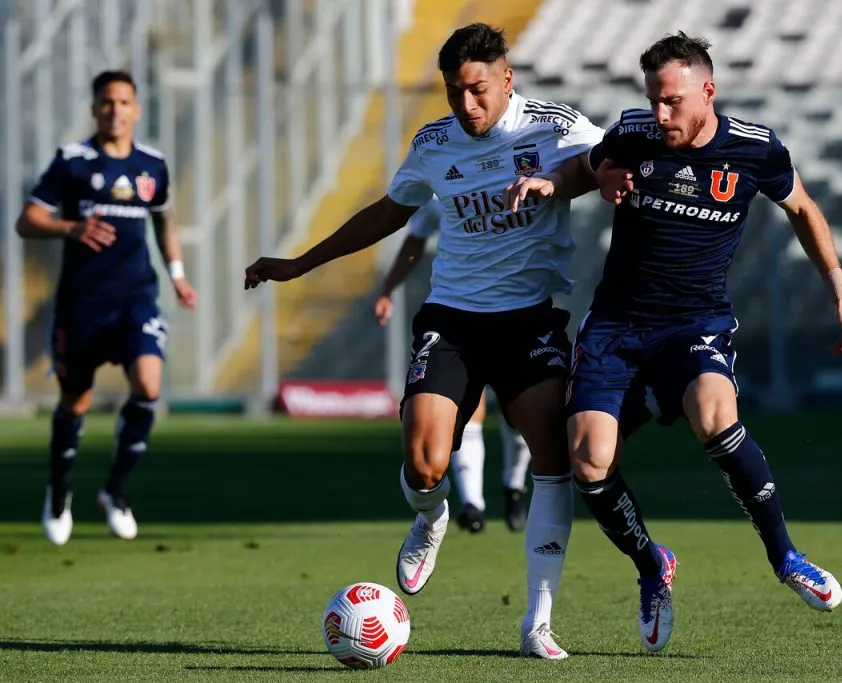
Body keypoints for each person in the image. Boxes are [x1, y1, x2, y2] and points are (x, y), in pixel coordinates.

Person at [244, 23, 604, 659]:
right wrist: (301, 264)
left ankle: (538, 621)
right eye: (454, 92)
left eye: (478, 90)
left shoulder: (553, 124)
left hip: (529, 319)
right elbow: (390, 211)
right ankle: (432, 514)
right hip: (454, 319)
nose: (467, 105)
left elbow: (608, 160)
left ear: (506, 80)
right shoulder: (434, 142)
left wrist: (561, 183)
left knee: (553, 459)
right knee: (424, 463)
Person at [527, 31, 842, 653]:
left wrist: (840, 296)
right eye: (654, 100)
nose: (661, 115)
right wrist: (565, 183)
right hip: (616, 325)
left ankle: (786, 557)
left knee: (715, 414)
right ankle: (653, 565)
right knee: (588, 460)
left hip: (695, 322)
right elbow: (587, 166)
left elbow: (803, 210)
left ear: (707, 92)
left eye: (673, 102)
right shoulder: (633, 132)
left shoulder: (755, 150)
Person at [16, 70, 197, 546]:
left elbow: (165, 221)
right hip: (82, 303)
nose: (115, 110)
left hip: (136, 297)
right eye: (106, 102)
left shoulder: (152, 165)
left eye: (123, 102)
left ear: (136, 109)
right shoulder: (73, 162)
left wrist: (177, 276)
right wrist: (70, 229)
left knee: (149, 383)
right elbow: (28, 219)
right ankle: (59, 491)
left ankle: (115, 491)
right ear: (94, 109)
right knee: (75, 401)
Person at [373, 198, 532, 534]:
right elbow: (416, 238)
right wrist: (388, 288)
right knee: (464, 409)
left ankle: (514, 486)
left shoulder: (520, 170)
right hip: (459, 319)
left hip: (519, 312)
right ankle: (473, 505)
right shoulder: (444, 186)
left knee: (518, 414)